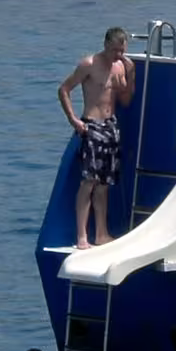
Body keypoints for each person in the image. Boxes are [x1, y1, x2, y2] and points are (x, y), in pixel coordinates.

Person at [58, 26, 136, 249]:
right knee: (88, 182)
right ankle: (82, 236)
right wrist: (74, 120)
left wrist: (130, 75)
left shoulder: (120, 66)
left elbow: (126, 100)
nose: (118, 55)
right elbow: (64, 89)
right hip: (91, 126)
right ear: (105, 45)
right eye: (114, 51)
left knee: (104, 184)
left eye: (121, 51)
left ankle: (101, 234)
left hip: (111, 127)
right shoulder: (89, 65)